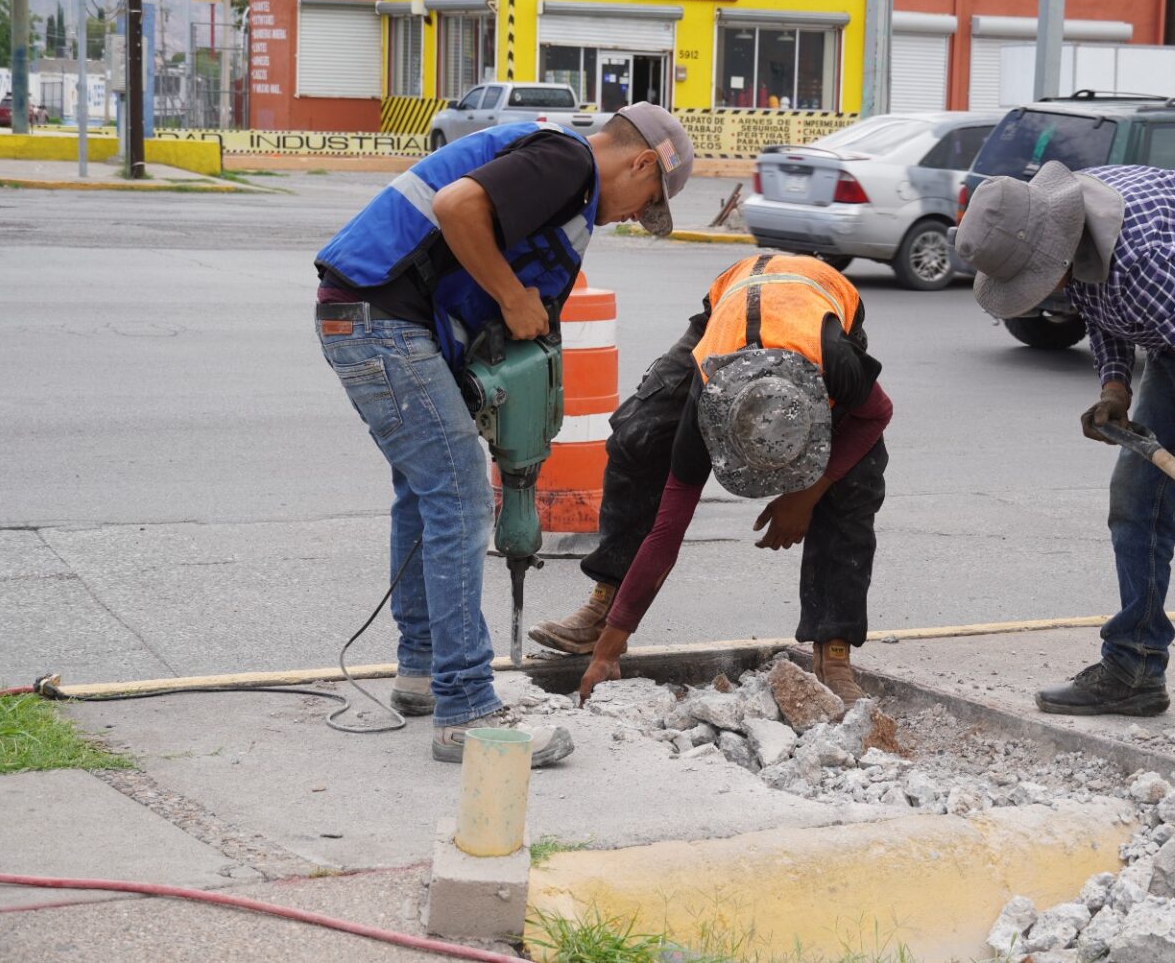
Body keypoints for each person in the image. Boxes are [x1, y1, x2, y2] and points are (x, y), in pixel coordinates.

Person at [312, 104, 694, 764]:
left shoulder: (552, 163)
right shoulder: (569, 162)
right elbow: (460, 207)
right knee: (459, 496)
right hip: (381, 321)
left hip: (367, 313)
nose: (632, 215)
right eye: (645, 201)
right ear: (639, 162)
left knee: (424, 490)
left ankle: (423, 671)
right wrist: (513, 295)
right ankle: (466, 709)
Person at [954, 162, 1175, 760]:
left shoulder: (1140, 258)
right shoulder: (1069, 225)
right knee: (1136, 497)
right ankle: (1134, 671)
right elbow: (1102, 311)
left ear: (1056, 248)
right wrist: (1115, 389)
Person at [529, 254, 893, 705]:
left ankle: (833, 651)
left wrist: (805, 495)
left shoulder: (835, 364)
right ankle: (605, 606)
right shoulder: (709, 393)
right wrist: (611, 647)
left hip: (816, 310)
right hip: (730, 308)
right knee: (639, 436)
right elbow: (668, 528)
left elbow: (878, 412)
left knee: (855, 480)